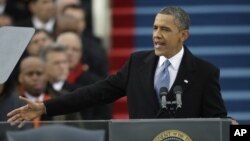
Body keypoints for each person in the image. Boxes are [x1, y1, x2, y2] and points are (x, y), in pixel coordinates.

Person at [7, 6, 236, 128]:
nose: (156, 35)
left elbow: (217, 120)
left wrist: (231, 128)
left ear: (183, 35)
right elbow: (94, 93)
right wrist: (46, 108)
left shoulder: (205, 72)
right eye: (155, 28)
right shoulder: (137, 63)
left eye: (165, 30)